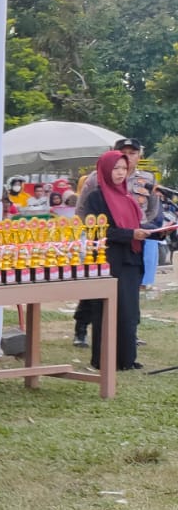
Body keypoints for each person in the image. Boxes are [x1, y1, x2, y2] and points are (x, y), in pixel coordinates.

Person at [79, 150, 154, 372]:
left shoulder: (129, 198)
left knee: (129, 311)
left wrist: (153, 231)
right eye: (116, 168)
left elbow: (138, 224)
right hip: (109, 260)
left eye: (124, 168)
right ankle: (103, 359)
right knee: (107, 310)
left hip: (131, 259)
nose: (121, 173)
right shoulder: (96, 197)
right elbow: (98, 231)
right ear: (104, 170)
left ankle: (126, 359)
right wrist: (130, 234)